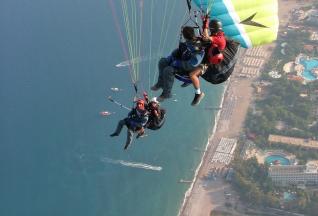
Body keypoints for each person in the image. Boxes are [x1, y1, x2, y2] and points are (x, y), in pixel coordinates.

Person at [151, 26, 205, 102]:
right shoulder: (187, 43)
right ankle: (160, 83)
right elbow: (179, 51)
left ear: (184, 35)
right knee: (162, 62)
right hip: (182, 62)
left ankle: (166, 94)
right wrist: (170, 59)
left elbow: (193, 63)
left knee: (168, 70)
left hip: (188, 69)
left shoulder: (199, 47)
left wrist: (177, 63)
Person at [186, 18, 227, 105]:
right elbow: (206, 38)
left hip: (207, 62)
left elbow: (206, 36)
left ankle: (198, 94)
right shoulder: (217, 35)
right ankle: (189, 80)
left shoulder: (220, 39)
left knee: (192, 74)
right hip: (205, 54)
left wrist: (206, 23)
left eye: (211, 30)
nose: (210, 31)